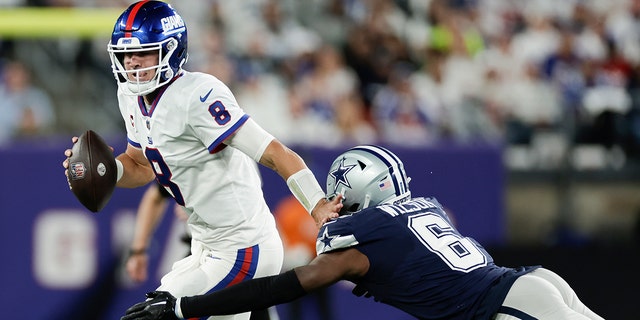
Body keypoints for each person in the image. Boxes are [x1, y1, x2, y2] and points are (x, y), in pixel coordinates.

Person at [62, 1, 341, 320]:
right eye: (127, 54)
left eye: (144, 53)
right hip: (206, 247)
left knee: (156, 314)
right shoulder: (129, 96)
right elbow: (140, 166)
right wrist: (108, 170)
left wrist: (317, 204)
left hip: (244, 248)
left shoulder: (198, 95)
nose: (133, 63)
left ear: (170, 50)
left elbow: (275, 152)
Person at [121, 144, 604, 320]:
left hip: (503, 309)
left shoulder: (361, 238)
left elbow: (283, 286)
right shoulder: (420, 206)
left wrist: (188, 305)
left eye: (341, 202)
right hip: (532, 283)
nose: (335, 211)